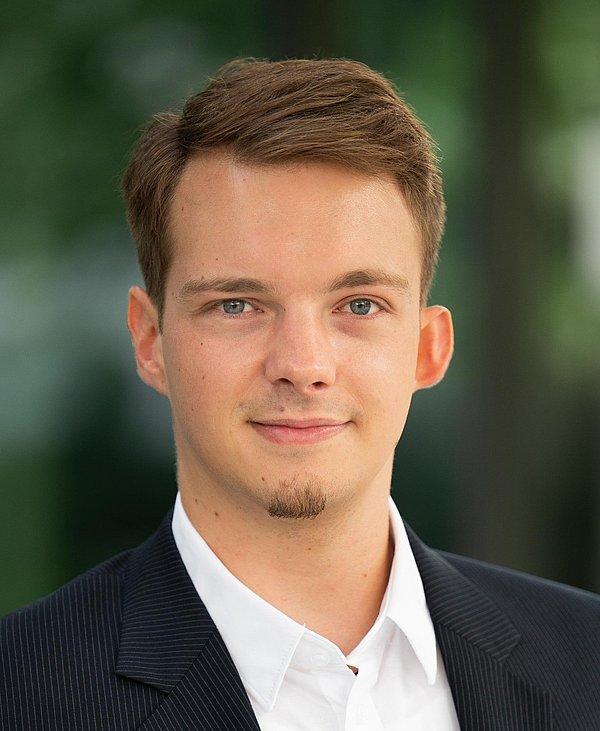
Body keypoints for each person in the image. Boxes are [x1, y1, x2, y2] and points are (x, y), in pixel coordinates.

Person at [1, 57, 598, 731]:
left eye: (360, 304)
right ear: (150, 341)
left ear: (428, 347)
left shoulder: (588, 663)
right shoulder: (20, 695)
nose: (302, 365)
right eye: (236, 305)